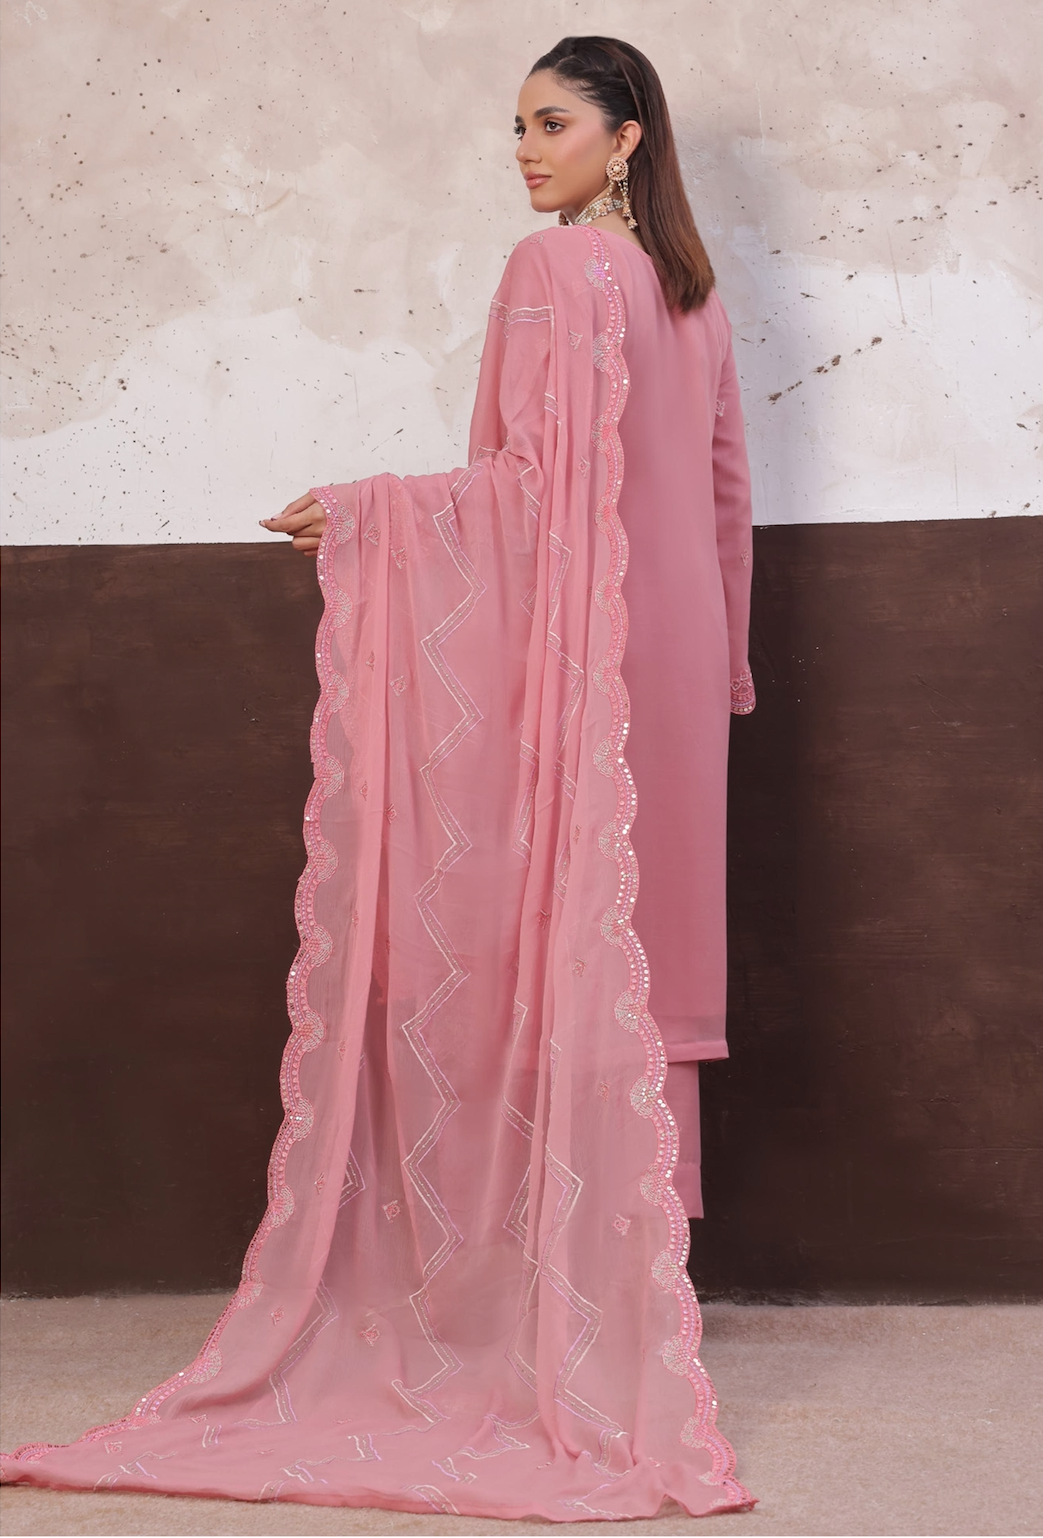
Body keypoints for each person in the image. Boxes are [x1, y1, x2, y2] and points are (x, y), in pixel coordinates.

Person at [1, 35, 757, 1522]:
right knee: (641, 957)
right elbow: (728, 498)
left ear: (625, 137)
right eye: (517, 127)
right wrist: (723, 668)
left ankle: (565, 1304)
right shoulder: (696, 295)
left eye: (552, 124)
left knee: (554, 939)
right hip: (673, 662)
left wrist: (365, 513)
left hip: (586, 654)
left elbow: (526, 490)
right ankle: (643, 1300)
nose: (524, 151)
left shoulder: (555, 271)